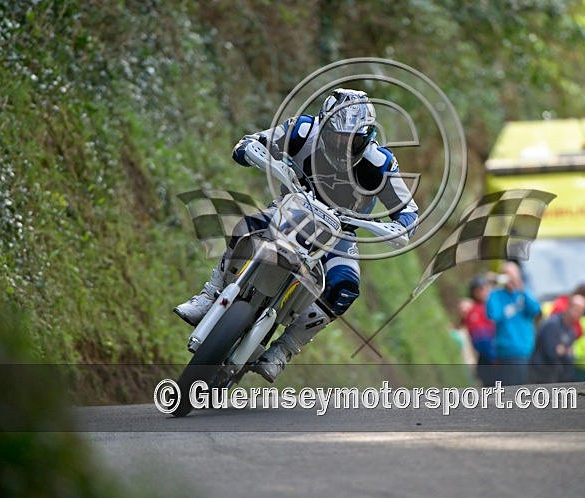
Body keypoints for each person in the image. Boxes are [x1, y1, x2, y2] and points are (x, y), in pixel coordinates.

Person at [174, 88, 419, 382]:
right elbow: (252, 142)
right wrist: (252, 151)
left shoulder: (380, 163)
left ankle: (284, 349)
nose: (342, 145)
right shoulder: (301, 130)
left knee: (345, 286)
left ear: (366, 138)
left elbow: (408, 211)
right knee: (248, 226)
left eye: (351, 139)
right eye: (337, 135)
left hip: (340, 233)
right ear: (322, 124)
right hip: (292, 209)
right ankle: (209, 294)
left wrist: (398, 227)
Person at [485, 262, 541, 385]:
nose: (509, 278)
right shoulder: (497, 294)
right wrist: (491, 287)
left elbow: (535, 310)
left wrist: (521, 288)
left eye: (512, 275)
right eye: (505, 275)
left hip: (525, 350)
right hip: (506, 351)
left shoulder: (524, 293)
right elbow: (493, 315)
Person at [530, 294, 585, 383]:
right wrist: (565, 351)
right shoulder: (553, 324)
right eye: (576, 308)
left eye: (581, 310)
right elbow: (552, 352)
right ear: (568, 306)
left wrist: (563, 350)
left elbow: (569, 355)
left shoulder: (571, 329)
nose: (578, 313)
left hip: (558, 376)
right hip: (542, 375)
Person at [461, 276, 497, 387]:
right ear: (475, 292)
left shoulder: (492, 307)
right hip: (488, 359)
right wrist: (494, 356)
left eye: (486, 288)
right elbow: (480, 340)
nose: (485, 291)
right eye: (481, 289)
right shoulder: (473, 312)